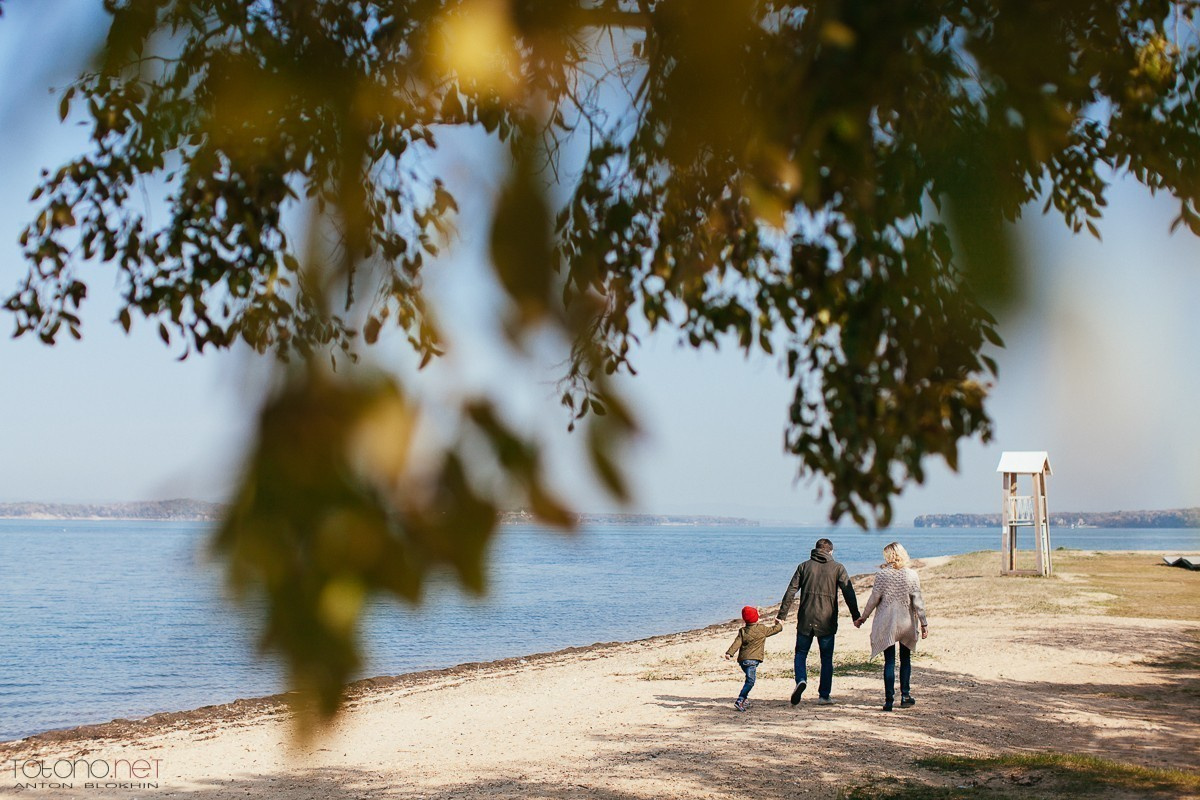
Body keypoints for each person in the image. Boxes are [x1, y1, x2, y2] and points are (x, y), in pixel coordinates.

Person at [774, 538, 860, 706]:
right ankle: (824, 695)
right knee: (826, 658)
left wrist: (782, 615)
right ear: (831, 551)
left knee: (801, 653)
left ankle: (801, 679)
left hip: (806, 618)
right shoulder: (838, 568)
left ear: (815, 549)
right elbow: (848, 592)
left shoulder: (804, 566)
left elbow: (791, 591)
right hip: (827, 621)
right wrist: (855, 616)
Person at [855, 542, 929, 711]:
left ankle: (889, 700)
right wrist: (924, 623)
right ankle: (905, 696)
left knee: (889, 661)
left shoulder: (882, 575)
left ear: (888, 556)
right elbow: (918, 602)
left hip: (886, 623)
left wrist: (863, 617)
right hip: (906, 622)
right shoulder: (911, 575)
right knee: (905, 659)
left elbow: (873, 599)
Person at [724, 606, 783, 711]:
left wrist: (730, 653)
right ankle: (740, 700)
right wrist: (779, 624)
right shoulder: (762, 629)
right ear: (756, 618)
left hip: (743, 661)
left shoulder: (743, 631)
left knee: (748, 679)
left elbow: (736, 643)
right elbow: (775, 630)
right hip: (752, 661)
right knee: (750, 682)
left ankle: (745, 700)